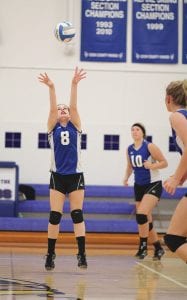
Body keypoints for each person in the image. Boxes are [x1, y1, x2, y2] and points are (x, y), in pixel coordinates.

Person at [38, 67, 87, 270]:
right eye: (60, 109)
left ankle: (82, 254)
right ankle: (50, 254)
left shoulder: (75, 126)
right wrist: (52, 88)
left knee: (77, 214)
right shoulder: (52, 128)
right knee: (55, 216)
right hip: (57, 176)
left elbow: (74, 108)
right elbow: (51, 111)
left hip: (75, 176)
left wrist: (74, 84)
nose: (63, 110)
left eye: (65, 108)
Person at [123, 123, 168, 260]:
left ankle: (142, 247)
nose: (134, 132)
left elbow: (164, 162)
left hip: (153, 184)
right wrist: (126, 178)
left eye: (137, 129)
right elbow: (130, 166)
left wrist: (151, 165)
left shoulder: (149, 146)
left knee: (141, 214)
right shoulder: (129, 149)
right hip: (139, 186)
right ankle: (158, 248)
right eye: (132, 130)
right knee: (145, 219)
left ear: (143, 133)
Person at [163, 80, 187, 263]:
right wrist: (180, 176)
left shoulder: (176, 116)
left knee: (174, 238)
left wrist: (176, 177)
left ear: (168, 98)